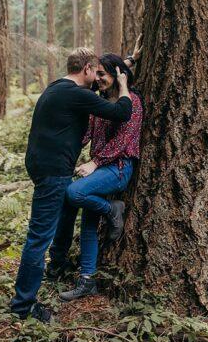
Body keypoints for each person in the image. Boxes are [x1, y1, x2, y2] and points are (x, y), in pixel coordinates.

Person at [9, 48, 133, 324]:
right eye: (96, 72)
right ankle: (23, 305)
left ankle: (59, 263)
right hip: (53, 172)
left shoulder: (58, 87)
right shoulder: (78, 95)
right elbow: (122, 111)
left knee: (66, 209)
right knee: (39, 236)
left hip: (45, 167)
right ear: (87, 69)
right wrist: (123, 85)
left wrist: (128, 62)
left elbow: (105, 75)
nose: (98, 78)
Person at [48, 53, 143, 302]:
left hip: (118, 168)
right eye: (96, 73)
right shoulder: (98, 103)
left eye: (103, 74)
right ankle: (87, 280)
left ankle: (112, 208)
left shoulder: (132, 102)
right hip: (98, 170)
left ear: (117, 76)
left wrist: (96, 162)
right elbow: (86, 135)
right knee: (88, 225)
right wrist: (65, 156)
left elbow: (124, 141)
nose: (98, 79)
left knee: (75, 193)